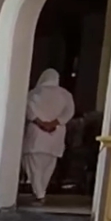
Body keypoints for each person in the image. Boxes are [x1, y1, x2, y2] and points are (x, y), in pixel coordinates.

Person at [23, 69, 75, 204]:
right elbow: (69, 112)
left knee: (33, 166)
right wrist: (54, 123)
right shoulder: (65, 94)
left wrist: (41, 123)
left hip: (36, 133)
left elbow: (28, 109)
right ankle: (41, 192)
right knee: (49, 165)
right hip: (56, 134)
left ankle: (39, 193)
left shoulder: (33, 93)